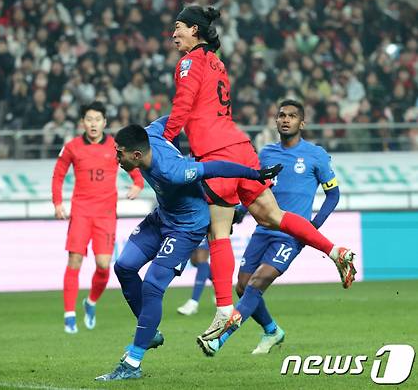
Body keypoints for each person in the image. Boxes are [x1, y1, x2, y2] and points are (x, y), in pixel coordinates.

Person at [162, 5, 355, 340]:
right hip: (240, 146)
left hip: (215, 154)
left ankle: (223, 310)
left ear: (194, 30)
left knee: (218, 232)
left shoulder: (189, 62)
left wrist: (164, 143)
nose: (173, 33)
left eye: (178, 27)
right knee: (272, 216)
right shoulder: (217, 61)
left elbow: (182, 106)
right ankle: (335, 251)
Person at [95, 116, 281, 381]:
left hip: (187, 227)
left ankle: (132, 363)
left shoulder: (172, 170)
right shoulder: (151, 134)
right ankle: (149, 332)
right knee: (123, 266)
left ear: (136, 155)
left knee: (152, 284)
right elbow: (177, 116)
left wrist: (256, 175)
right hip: (163, 217)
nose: (116, 159)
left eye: (119, 154)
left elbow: (215, 168)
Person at [198, 99, 341, 356]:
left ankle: (220, 338)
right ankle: (272, 331)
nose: (286, 120)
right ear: (275, 121)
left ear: (302, 122)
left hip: (291, 235)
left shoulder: (316, 155)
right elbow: (257, 192)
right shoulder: (265, 154)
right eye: (282, 115)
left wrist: (312, 228)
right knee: (241, 285)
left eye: (292, 116)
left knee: (257, 282)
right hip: (263, 229)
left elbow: (333, 195)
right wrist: (240, 212)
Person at [52, 101, 144, 334]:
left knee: (104, 266)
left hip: (105, 215)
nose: (93, 124)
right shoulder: (72, 147)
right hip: (81, 212)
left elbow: (133, 165)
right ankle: (69, 315)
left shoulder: (115, 146)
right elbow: (58, 174)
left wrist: (138, 184)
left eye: (97, 119)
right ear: (82, 122)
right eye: (89, 119)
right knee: (75, 261)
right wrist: (57, 202)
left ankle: (91, 302)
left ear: (104, 122)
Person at [176, 237, 211, 316]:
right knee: (195, 261)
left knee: (201, 258)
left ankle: (193, 302)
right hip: (191, 227)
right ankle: (221, 286)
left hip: (205, 227)